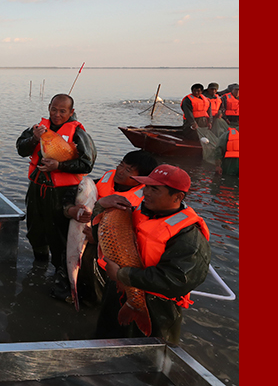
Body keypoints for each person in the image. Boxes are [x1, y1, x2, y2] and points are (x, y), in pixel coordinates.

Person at [93, 164, 211, 345]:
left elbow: (177, 279)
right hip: (119, 292)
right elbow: (100, 236)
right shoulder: (136, 211)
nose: (146, 192)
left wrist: (122, 274)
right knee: (104, 344)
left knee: (147, 361)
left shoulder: (188, 236)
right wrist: (100, 206)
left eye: (154, 189)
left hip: (157, 307)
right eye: (146, 186)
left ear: (178, 197)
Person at [15, 93, 96, 291]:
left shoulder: (78, 134)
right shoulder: (37, 129)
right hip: (37, 189)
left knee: (59, 233)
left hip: (62, 193)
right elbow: (21, 149)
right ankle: (39, 261)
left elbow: (87, 163)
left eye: (62, 111)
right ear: (48, 108)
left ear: (71, 112)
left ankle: (61, 272)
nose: (57, 114)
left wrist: (59, 165)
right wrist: (34, 139)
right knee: (35, 228)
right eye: (54, 109)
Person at [60, 150, 158, 306]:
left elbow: (137, 234)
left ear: (141, 178)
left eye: (128, 170)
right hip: (85, 232)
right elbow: (70, 194)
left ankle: (93, 303)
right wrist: (70, 209)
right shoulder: (104, 180)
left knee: (95, 276)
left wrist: (97, 238)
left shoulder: (145, 202)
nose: (120, 171)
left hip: (110, 246)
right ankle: (73, 289)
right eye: (121, 165)